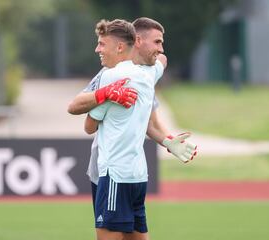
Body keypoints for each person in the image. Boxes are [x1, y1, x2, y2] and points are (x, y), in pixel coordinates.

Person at [84, 19, 196, 240]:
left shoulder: (146, 76)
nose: (161, 49)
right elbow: (78, 106)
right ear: (137, 41)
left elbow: (151, 124)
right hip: (106, 170)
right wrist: (105, 95)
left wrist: (168, 141)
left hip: (126, 173)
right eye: (157, 42)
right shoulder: (109, 75)